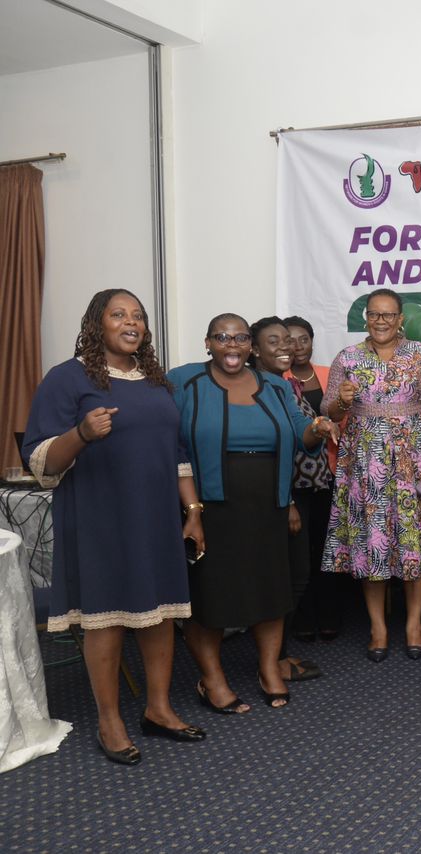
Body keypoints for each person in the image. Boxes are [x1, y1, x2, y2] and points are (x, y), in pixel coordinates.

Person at [22, 289, 206, 764]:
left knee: (160, 614)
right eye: (119, 314)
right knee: (106, 617)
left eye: (138, 316)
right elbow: (40, 461)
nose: (132, 322)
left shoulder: (157, 382)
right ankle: (109, 721)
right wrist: (82, 433)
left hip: (156, 515)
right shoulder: (67, 378)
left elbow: (178, 454)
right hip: (100, 516)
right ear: (96, 324)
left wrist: (192, 511)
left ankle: (158, 708)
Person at [170, 313, 335, 712]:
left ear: (250, 347)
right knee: (210, 595)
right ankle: (212, 680)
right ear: (208, 343)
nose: (232, 345)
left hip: (268, 504)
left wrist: (317, 428)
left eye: (240, 338)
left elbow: (302, 432)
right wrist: (189, 507)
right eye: (222, 337)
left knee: (270, 590)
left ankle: (268, 668)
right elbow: (167, 441)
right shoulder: (184, 381)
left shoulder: (275, 386)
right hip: (209, 505)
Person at [322, 289, 421, 662]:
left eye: (388, 315)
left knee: (413, 541)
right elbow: (330, 411)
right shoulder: (347, 357)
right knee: (373, 542)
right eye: (374, 314)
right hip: (364, 464)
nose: (380, 321)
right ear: (366, 318)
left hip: (414, 460)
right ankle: (378, 628)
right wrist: (342, 401)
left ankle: (413, 625)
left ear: (401, 319)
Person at [248, 317, 326, 684]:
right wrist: (290, 502)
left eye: (288, 340)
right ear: (254, 349)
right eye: (274, 341)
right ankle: (272, 661)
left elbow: (300, 439)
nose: (286, 347)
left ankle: (277, 654)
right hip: (275, 498)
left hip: (295, 491)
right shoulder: (255, 388)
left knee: (295, 576)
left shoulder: (284, 385)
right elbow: (267, 452)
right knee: (282, 579)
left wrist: (319, 427)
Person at [284, 315, 344, 642]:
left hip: (330, 474)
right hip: (294, 478)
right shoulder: (278, 379)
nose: (298, 346)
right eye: (290, 340)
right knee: (299, 551)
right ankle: (303, 616)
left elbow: (343, 419)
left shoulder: (328, 373)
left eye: (303, 339)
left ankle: (330, 614)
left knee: (328, 547)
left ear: (312, 341)